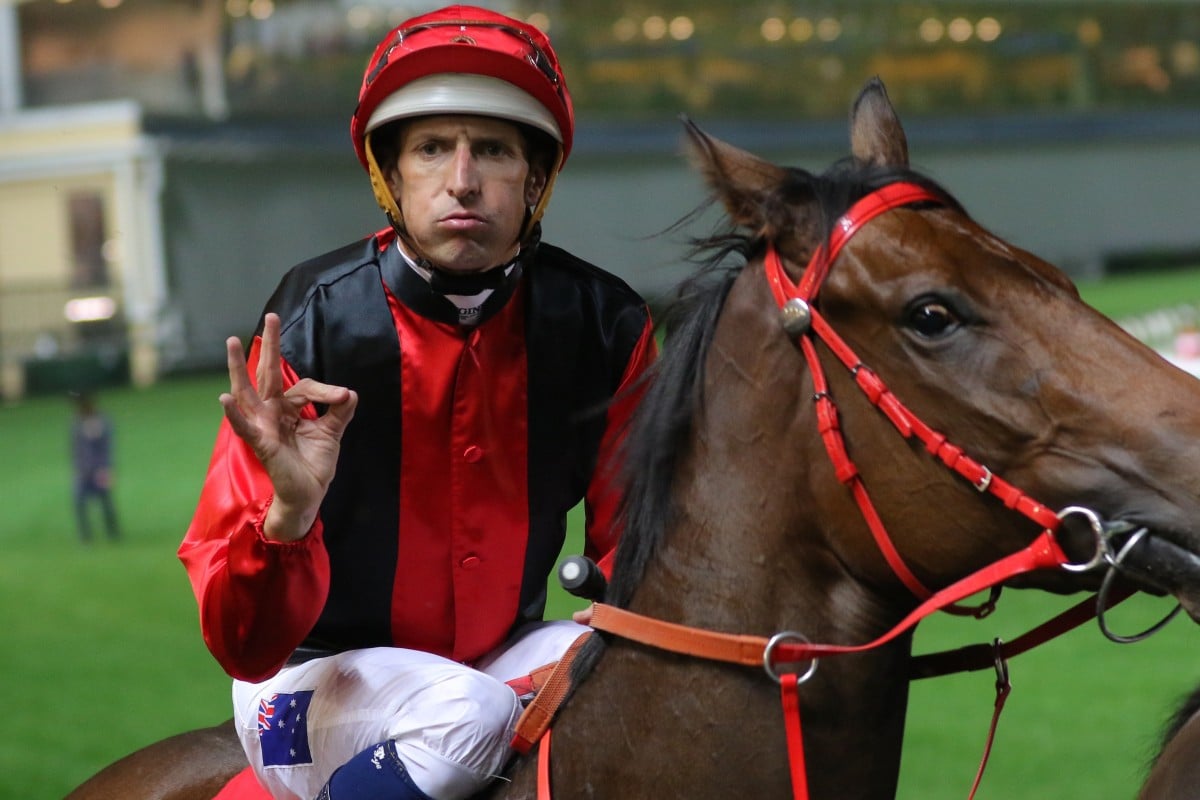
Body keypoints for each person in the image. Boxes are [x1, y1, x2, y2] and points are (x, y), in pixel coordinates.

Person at [177, 6, 657, 800]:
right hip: (300, 688)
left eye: (493, 150)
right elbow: (243, 647)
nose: (462, 180)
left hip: (495, 659)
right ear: (389, 175)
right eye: (432, 148)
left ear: (536, 177)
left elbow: (637, 550)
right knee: (467, 715)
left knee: (666, 682)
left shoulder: (606, 325)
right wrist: (288, 518)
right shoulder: (312, 320)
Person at [70, 390, 120, 542]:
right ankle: (85, 536)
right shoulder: (77, 423)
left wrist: (107, 468)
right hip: (83, 471)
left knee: (106, 503)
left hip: (99, 470)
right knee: (79, 503)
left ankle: (113, 532)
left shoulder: (101, 422)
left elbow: (106, 448)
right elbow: (75, 448)